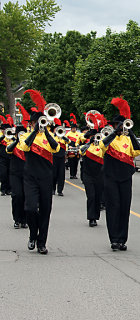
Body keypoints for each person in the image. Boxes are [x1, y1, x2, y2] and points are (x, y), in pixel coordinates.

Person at [21, 89, 60, 254]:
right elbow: (24, 147)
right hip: (30, 177)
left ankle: (42, 242)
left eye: (41, 122)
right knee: (30, 208)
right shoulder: (25, 136)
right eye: (36, 123)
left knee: (45, 210)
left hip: (46, 178)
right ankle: (32, 235)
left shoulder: (50, 136)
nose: (40, 125)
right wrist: (35, 131)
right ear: (31, 124)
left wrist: (46, 132)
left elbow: (56, 148)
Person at [100, 98, 140, 251]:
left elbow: (138, 150)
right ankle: (114, 239)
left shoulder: (128, 138)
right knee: (113, 207)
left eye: (122, 125)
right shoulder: (108, 137)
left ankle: (122, 239)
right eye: (118, 124)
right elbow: (101, 145)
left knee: (124, 208)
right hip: (110, 177)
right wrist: (114, 132)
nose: (120, 127)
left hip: (125, 177)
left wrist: (130, 132)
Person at [80, 115, 106, 228]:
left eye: (96, 136)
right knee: (91, 196)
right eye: (92, 136)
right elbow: (81, 151)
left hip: (99, 174)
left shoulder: (101, 147)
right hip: (88, 174)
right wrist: (89, 142)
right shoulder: (85, 146)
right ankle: (91, 218)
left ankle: (96, 216)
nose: (94, 138)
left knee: (98, 197)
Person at [6, 124, 28, 229]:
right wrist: (17, 140)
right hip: (15, 174)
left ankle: (24, 220)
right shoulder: (12, 143)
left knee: (25, 196)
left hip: (27, 174)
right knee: (16, 196)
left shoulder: (28, 144)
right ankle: (16, 219)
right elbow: (8, 150)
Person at [52, 118, 70, 196]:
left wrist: (62, 136)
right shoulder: (53, 137)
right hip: (54, 157)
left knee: (61, 174)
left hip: (62, 157)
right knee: (54, 174)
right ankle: (53, 189)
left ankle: (60, 190)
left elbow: (69, 141)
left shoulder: (63, 138)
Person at [0, 116, 13, 196]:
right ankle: (3, 189)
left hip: (11, 158)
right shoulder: (1, 137)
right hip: (2, 158)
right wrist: (4, 136)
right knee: (3, 174)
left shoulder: (12, 138)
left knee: (10, 174)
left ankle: (9, 189)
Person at [66, 113, 81, 179]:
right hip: (70, 149)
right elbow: (66, 142)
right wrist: (68, 146)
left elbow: (80, 140)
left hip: (76, 149)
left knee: (76, 163)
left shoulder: (78, 134)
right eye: (73, 128)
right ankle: (71, 174)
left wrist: (78, 146)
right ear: (71, 128)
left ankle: (75, 174)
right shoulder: (68, 134)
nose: (74, 129)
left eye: (75, 128)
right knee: (71, 163)